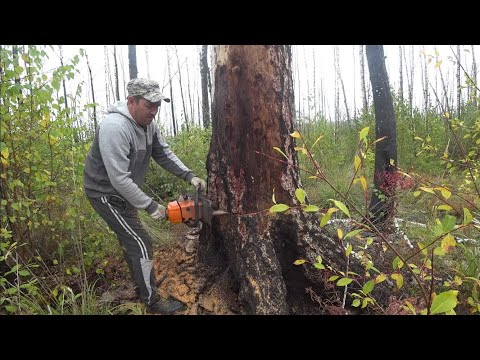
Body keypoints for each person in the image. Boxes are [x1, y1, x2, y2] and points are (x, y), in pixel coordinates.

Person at [83, 78, 207, 314]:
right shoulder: (115, 127)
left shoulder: (148, 124)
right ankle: (152, 302)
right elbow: (119, 179)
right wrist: (152, 207)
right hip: (105, 194)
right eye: (149, 105)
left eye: (157, 105)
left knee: (132, 241)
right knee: (141, 243)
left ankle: (141, 286)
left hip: (123, 192)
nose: (154, 111)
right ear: (132, 101)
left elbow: (163, 153)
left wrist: (189, 176)